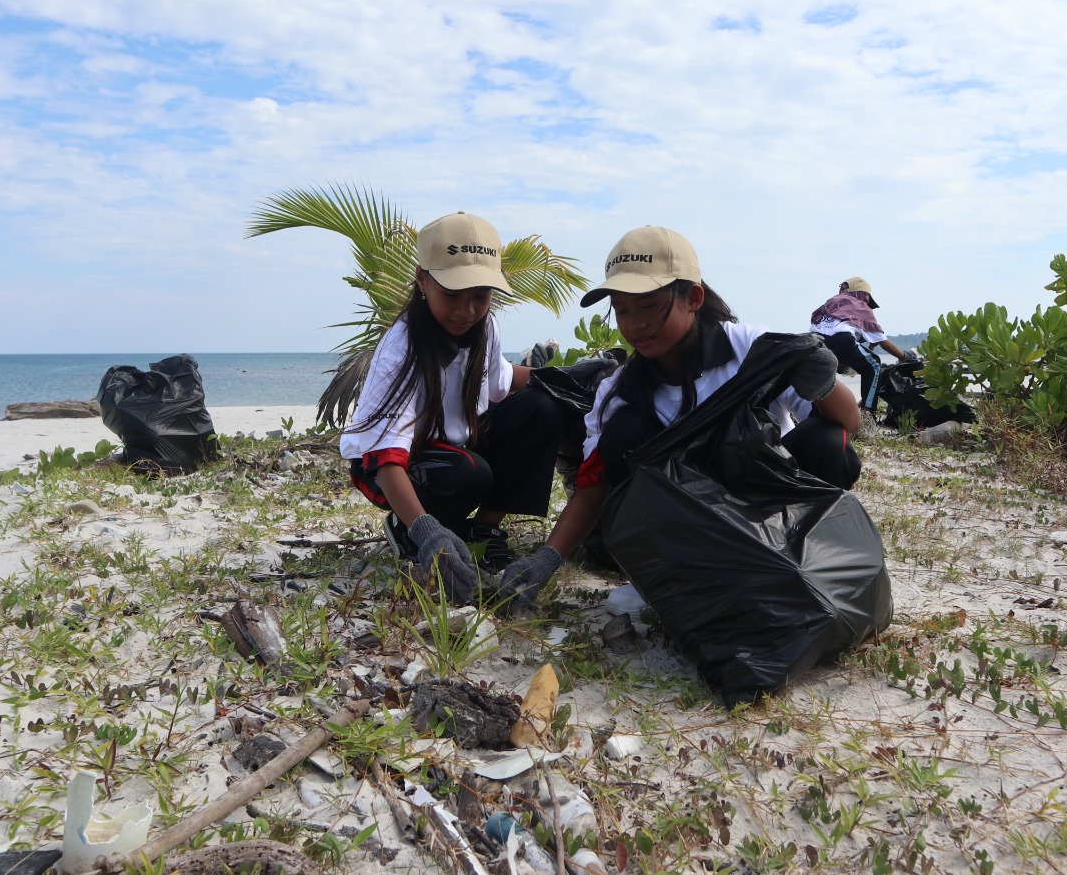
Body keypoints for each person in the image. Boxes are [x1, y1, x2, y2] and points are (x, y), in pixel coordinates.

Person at [494, 225, 862, 609]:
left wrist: (821, 383)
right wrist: (546, 559)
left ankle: (809, 559)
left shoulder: (753, 351)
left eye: (649, 306)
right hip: (688, 527)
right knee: (625, 431)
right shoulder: (616, 392)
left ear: (693, 298)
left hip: (769, 510)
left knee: (825, 441)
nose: (635, 324)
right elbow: (594, 489)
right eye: (622, 310)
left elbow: (848, 424)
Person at [340, 212, 564, 599]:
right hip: (389, 465)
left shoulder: (485, 327)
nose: (466, 311)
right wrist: (427, 534)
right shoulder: (402, 350)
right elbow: (386, 456)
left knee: (544, 407)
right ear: (422, 279)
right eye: (453, 295)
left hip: (452, 446)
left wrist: (567, 380)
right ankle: (408, 526)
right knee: (468, 473)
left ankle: (484, 529)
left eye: (480, 296)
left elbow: (503, 382)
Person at [809, 277, 915, 416]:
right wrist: (904, 356)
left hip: (814, 340)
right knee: (874, 366)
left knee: (822, 374)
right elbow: (883, 342)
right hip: (841, 339)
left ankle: (815, 410)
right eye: (866, 299)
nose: (866, 303)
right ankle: (867, 412)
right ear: (862, 295)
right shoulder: (859, 306)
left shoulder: (832, 303)